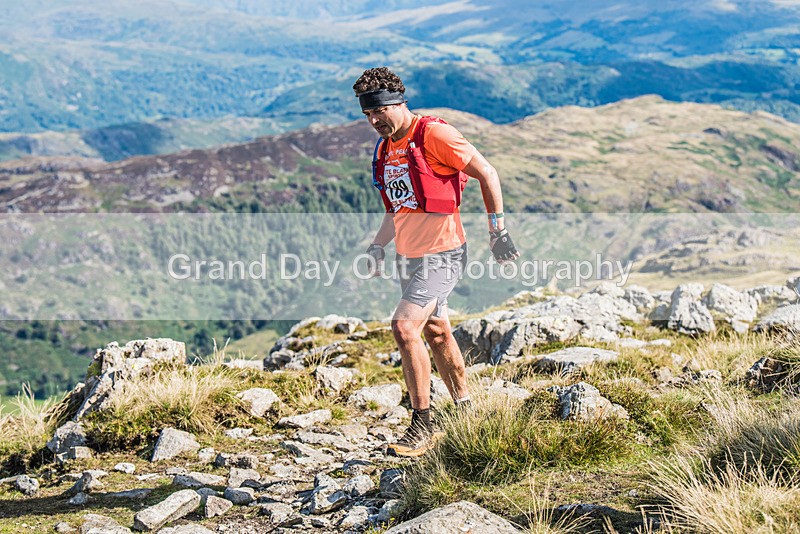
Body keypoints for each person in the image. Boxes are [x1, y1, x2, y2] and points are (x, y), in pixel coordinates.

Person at [353, 67, 519, 457]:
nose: (374, 121)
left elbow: (487, 172)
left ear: (399, 103)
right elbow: (397, 208)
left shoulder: (433, 134)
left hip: (443, 254)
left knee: (403, 327)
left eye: (379, 111)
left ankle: (422, 425)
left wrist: (498, 232)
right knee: (437, 332)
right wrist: (377, 246)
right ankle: (465, 410)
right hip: (407, 256)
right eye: (367, 114)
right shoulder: (385, 150)